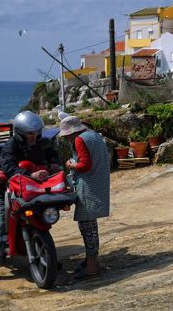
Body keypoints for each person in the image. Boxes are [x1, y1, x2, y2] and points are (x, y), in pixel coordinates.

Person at [0, 111, 61, 283]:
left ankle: (48, 255)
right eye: (29, 134)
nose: (33, 137)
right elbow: (8, 167)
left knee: (42, 216)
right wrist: (30, 174)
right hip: (5, 190)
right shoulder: (10, 146)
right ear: (20, 133)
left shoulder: (43, 143)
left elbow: (52, 155)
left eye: (35, 133)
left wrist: (55, 163)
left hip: (31, 189)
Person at [58, 116, 110, 279]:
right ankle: (90, 261)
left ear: (71, 132)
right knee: (91, 227)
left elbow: (85, 165)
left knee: (87, 228)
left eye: (66, 136)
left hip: (88, 187)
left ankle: (92, 266)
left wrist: (71, 165)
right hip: (99, 182)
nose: (66, 139)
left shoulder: (79, 140)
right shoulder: (93, 134)